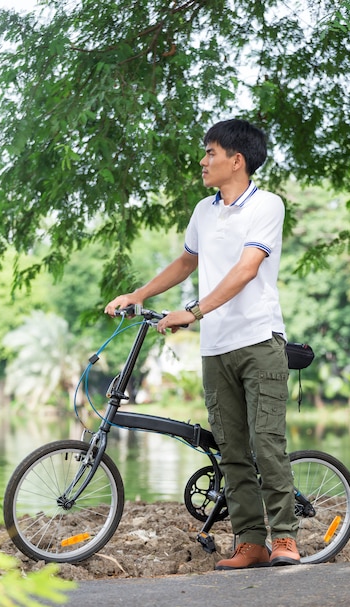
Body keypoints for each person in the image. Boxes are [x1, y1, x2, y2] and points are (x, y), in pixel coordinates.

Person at [105, 119, 300, 569]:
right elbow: (185, 261)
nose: (203, 160)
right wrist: (139, 295)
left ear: (238, 160)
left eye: (211, 152)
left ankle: (286, 538)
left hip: (258, 340)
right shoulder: (203, 210)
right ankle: (251, 542)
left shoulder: (266, 205)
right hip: (216, 349)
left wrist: (192, 312)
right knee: (231, 450)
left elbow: (247, 269)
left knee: (266, 444)